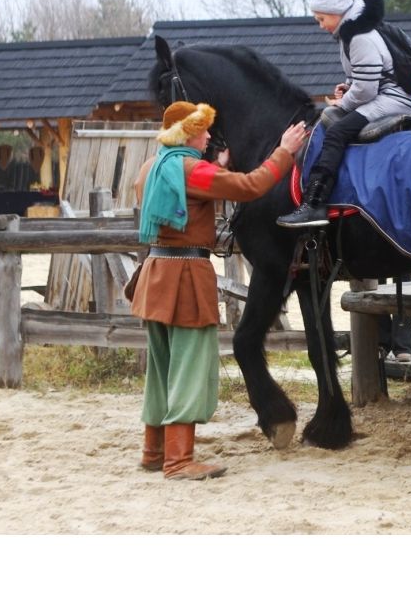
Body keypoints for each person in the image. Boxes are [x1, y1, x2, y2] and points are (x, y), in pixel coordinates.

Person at [131, 100, 308, 480]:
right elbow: (251, 186)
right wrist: (285, 151)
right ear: (186, 134)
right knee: (190, 367)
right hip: (185, 277)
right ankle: (178, 461)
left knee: (161, 369)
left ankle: (153, 450)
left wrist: (216, 170)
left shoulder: (152, 167)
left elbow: (190, 195)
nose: (209, 135)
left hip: (155, 274)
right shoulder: (190, 170)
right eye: (202, 130)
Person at [278, 0, 411, 228]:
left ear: (337, 12)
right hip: (385, 94)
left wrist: (345, 101)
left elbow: (366, 89)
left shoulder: (359, 37)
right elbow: (361, 79)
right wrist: (347, 87)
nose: (320, 25)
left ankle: (316, 203)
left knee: (336, 132)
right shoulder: (352, 31)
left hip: (393, 100)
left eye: (321, 18)